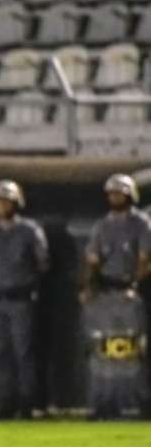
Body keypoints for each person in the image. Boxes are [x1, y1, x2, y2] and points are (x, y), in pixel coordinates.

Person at [0, 179, 49, 420]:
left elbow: (43, 262)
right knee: (0, 352)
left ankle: (28, 402)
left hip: (20, 298)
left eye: (7, 201)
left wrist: (27, 278)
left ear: (17, 203)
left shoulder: (29, 230)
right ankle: (7, 401)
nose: (3, 205)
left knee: (23, 351)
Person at [81, 173, 151, 420]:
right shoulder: (102, 226)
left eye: (119, 193)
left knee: (134, 348)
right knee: (102, 348)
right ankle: (103, 403)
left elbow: (145, 259)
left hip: (132, 293)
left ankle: (139, 402)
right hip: (106, 293)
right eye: (111, 194)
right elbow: (93, 259)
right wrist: (89, 286)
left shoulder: (141, 224)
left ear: (130, 195)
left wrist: (135, 284)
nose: (115, 197)